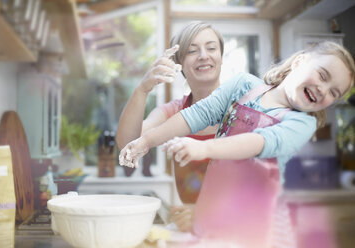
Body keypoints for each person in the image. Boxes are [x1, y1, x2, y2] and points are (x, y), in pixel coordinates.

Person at [119, 41, 355, 247]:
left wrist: (204, 148)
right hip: (213, 218)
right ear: (300, 62)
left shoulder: (301, 123)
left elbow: (259, 142)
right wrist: (146, 141)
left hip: (259, 230)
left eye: (334, 92)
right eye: (323, 75)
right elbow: (198, 114)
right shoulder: (243, 85)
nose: (323, 90)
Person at [116, 21, 224, 231]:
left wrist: (205, 213)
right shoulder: (174, 111)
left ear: (221, 57)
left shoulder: (243, 109)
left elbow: (258, 188)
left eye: (211, 48)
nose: (204, 55)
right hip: (191, 231)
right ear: (180, 63)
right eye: (192, 51)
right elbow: (127, 143)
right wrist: (142, 90)